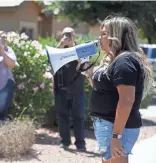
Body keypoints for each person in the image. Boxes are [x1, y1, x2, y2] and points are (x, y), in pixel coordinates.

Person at [84, 15, 153, 163]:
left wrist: (116, 136)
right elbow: (105, 91)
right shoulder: (116, 59)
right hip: (110, 126)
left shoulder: (124, 61)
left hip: (116, 127)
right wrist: (89, 74)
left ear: (116, 36)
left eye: (104, 34)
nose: (99, 38)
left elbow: (127, 101)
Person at [54, 27, 86, 151]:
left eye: (70, 34)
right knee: (62, 116)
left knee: (78, 117)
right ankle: (65, 141)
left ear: (75, 36)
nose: (67, 37)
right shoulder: (58, 49)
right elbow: (51, 61)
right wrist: (61, 45)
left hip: (77, 89)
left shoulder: (80, 49)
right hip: (60, 89)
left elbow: (83, 64)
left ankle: (80, 144)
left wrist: (72, 47)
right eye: (65, 34)